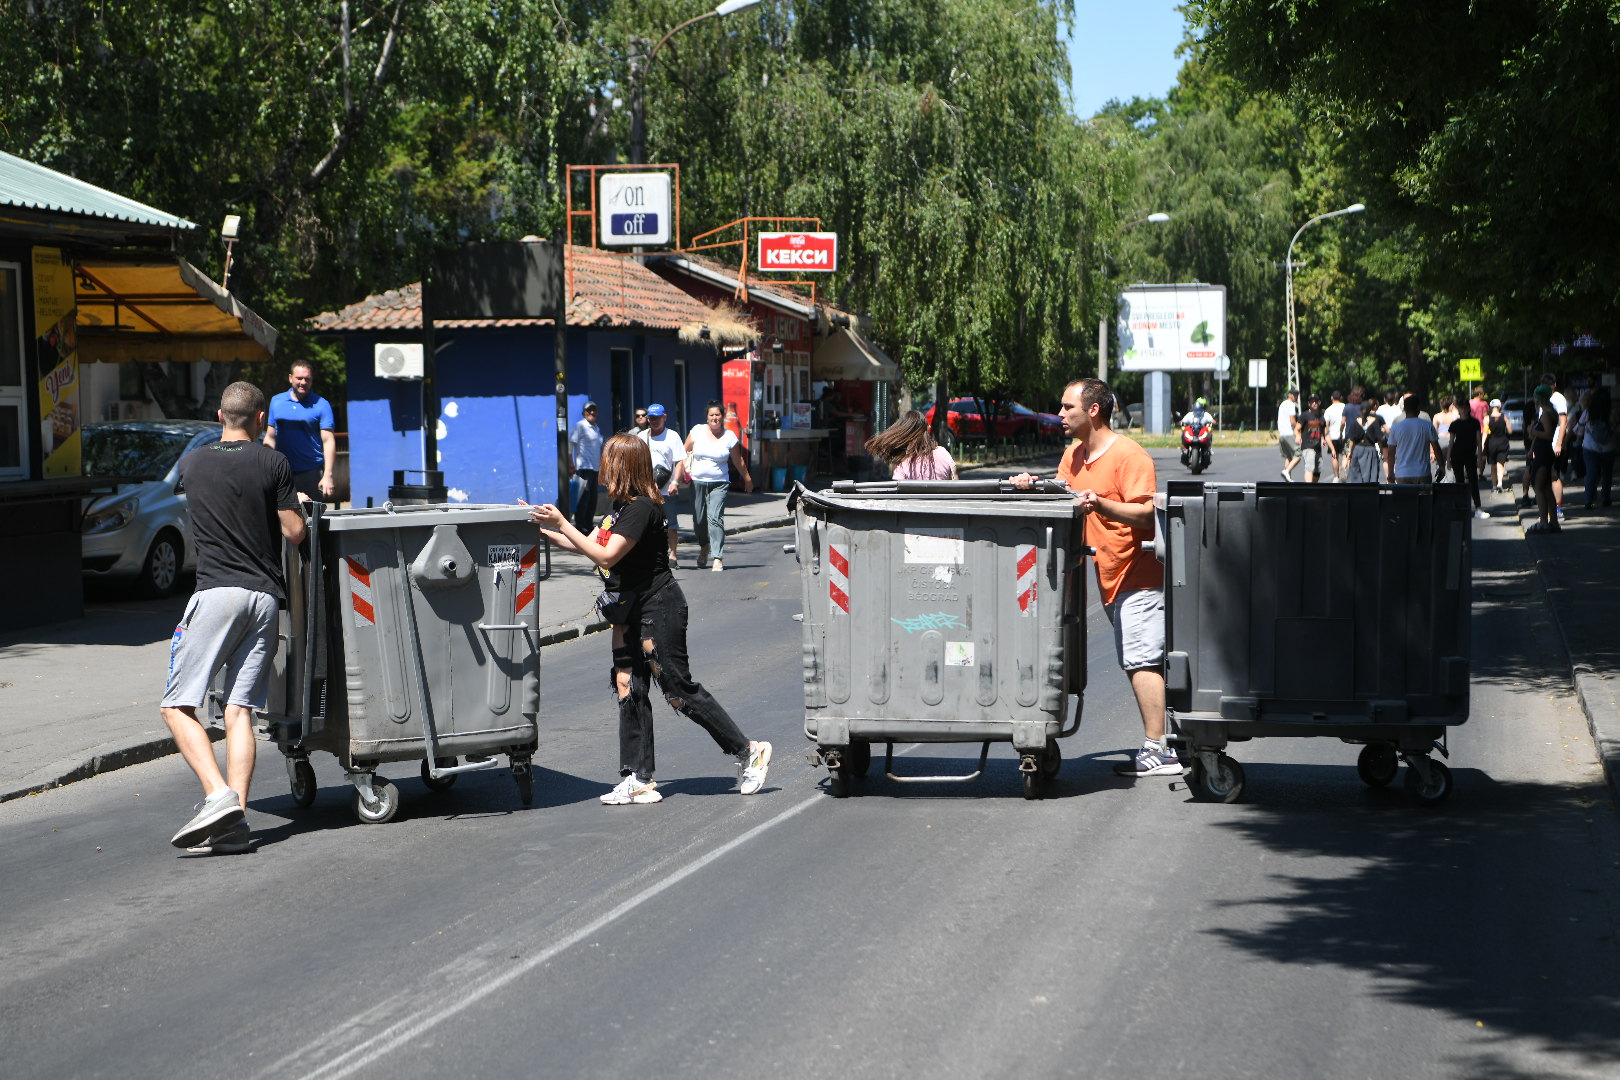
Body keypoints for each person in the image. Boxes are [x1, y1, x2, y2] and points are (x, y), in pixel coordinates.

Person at [526, 434, 771, 804]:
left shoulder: (642, 508)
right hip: (628, 608)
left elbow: (605, 556)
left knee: (677, 690)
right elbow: (587, 544)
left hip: (659, 606)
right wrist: (537, 530)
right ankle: (638, 778)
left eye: (608, 460)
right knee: (627, 683)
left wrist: (563, 521)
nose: (603, 468)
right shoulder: (620, 509)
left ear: (622, 466)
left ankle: (748, 750)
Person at [161, 381, 308, 854]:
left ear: (219, 416)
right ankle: (234, 825)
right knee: (238, 710)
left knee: (176, 706)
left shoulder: (192, 463)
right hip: (264, 599)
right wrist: (297, 506)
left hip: (217, 594)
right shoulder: (273, 462)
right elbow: (295, 532)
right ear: (262, 418)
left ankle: (218, 796)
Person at [1012, 378, 1177, 778]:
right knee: (1139, 659)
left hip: (1139, 575)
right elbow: (1061, 497)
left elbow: (1146, 514)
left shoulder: (1129, 456)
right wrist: (1031, 486)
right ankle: (1174, 738)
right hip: (1109, 577)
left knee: (1141, 660)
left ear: (1093, 411)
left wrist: (1101, 504)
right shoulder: (1073, 456)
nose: (1060, 414)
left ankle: (1160, 750)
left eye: (1067, 407)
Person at [684, 400, 753, 572]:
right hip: (697, 481)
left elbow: (738, 459)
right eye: (711, 415)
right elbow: (684, 451)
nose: (714, 418)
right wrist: (679, 474)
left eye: (718, 414)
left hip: (719, 482)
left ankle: (717, 556)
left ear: (722, 416)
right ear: (707, 417)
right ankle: (704, 546)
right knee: (699, 520)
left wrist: (747, 479)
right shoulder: (697, 431)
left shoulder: (729, 436)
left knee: (715, 518)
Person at [263, 362, 336, 501]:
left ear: (312, 380)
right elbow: (270, 437)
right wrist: (267, 467)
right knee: (281, 513)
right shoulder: (276, 401)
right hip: (282, 472)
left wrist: (328, 475)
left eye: (307, 379)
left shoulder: (322, 404)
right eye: (299, 378)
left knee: (311, 514)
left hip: (311, 472)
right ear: (290, 378)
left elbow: (328, 441)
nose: (303, 382)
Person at [635, 404, 688, 567]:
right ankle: (649, 555)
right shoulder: (642, 436)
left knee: (671, 524)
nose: (654, 421)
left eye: (657, 418)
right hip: (646, 489)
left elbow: (679, 462)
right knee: (646, 524)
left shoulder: (672, 436)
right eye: (651, 418)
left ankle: (673, 555)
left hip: (667, 489)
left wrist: (675, 482)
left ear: (664, 417)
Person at [867, 409, 958, 480]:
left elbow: (898, 493)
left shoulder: (903, 464)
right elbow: (955, 485)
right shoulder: (943, 453)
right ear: (926, 430)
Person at [1384, 393, 1440, 484]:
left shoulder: (1396, 428)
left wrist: (1390, 472)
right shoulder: (1427, 426)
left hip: (1402, 473)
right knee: (1423, 494)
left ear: (1404, 409)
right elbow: (1436, 448)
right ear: (1418, 408)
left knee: (1404, 494)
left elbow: (1391, 453)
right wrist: (1441, 466)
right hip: (1422, 473)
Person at [1527, 384, 1561, 532]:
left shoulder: (1546, 414)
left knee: (1538, 486)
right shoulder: (1548, 412)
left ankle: (1543, 521)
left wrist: (1533, 431)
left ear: (1539, 398)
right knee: (1546, 487)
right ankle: (1553, 521)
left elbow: (1548, 434)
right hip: (1543, 452)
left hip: (1543, 454)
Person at [1446, 396, 1487, 517]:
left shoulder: (1474, 423)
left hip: (1470, 454)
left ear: (1469, 409)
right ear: (1459, 409)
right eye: (1462, 408)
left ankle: (1478, 507)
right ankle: (1462, 507)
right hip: (1457, 454)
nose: (1464, 410)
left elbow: (1479, 441)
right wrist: (1448, 458)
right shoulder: (1455, 424)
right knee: (1459, 482)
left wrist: (1480, 457)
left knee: (1473, 480)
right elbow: (1451, 442)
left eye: (1465, 408)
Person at [1576, 385, 1616, 508]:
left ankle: (1588, 499)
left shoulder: (1588, 412)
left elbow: (1579, 430)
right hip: (1609, 448)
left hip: (1590, 448)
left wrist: (1579, 438)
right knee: (1607, 474)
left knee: (1591, 473)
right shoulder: (1613, 413)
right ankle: (1606, 497)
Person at [568, 401, 603, 533]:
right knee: (584, 499)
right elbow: (570, 445)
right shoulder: (580, 426)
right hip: (584, 468)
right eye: (589, 410)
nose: (592, 413)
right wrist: (571, 463)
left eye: (594, 410)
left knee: (593, 499)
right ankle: (580, 525)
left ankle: (588, 525)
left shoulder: (596, 428)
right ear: (584, 413)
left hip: (595, 469)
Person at [1294, 393, 1328, 483]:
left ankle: (1313, 487)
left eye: (1316, 401)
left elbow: (1323, 431)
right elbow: (1296, 429)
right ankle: (1308, 488)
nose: (1314, 403)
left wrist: (1323, 439)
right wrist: (1298, 436)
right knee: (1309, 468)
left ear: (1319, 402)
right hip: (1308, 446)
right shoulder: (1304, 415)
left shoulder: (1321, 417)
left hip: (1317, 447)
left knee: (1317, 472)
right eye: (1312, 402)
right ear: (1309, 403)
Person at [1484, 398, 1514, 492]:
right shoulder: (1504, 417)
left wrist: (1482, 445)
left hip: (1491, 443)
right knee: (1501, 463)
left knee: (1493, 465)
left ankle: (1493, 486)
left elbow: (1485, 433)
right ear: (1500, 407)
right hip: (1503, 442)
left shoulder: (1487, 418)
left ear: (1490, 407)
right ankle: (1500, 483)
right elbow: (1510, 431)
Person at [1276, 389, 1301, 482]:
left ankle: (1288, 478)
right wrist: (1299, 428)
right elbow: (1292, 421)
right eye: (1294, 395)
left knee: (1289, 457)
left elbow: (1278, 420)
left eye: (1297, 395)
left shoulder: (1282, 404)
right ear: (1289, 395)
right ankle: (1286, 471)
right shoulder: (1291, 405)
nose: (1296, 397)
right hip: (1289, 433)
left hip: (1282, 434)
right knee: (1298, 455)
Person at [1324, 389, 1347, 481]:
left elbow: (1326, 425)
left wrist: (1325, 437)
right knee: (1345, 455)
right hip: (1344, 435)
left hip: (1332, 436)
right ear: (1341, 398)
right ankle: (1344, 468)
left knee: (1334, 456)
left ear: (1331, 398)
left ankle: (1336, 477)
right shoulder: (1345, 407)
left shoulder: (1328, 410)